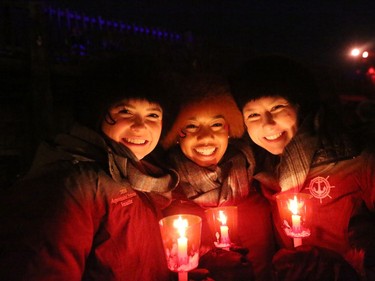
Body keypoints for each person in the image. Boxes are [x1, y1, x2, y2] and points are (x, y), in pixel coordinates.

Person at [0, 54, 179, 281]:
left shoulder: (142, 176)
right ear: (96, 115)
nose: (140, 125)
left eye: (153, 114)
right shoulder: (73, 184)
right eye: (125, 111)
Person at [229, 54, 375, 281]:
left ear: (300, 107)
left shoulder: (354, 159)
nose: (267, 123)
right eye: (253, 114)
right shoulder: (257, 174)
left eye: (277, 107)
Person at [161, 74, 276, 281]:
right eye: (192, 126)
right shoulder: (162, 194)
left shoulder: (258, 180)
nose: (205, 137)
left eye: (216, 125)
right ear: (177, 134)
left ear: (229, 130)